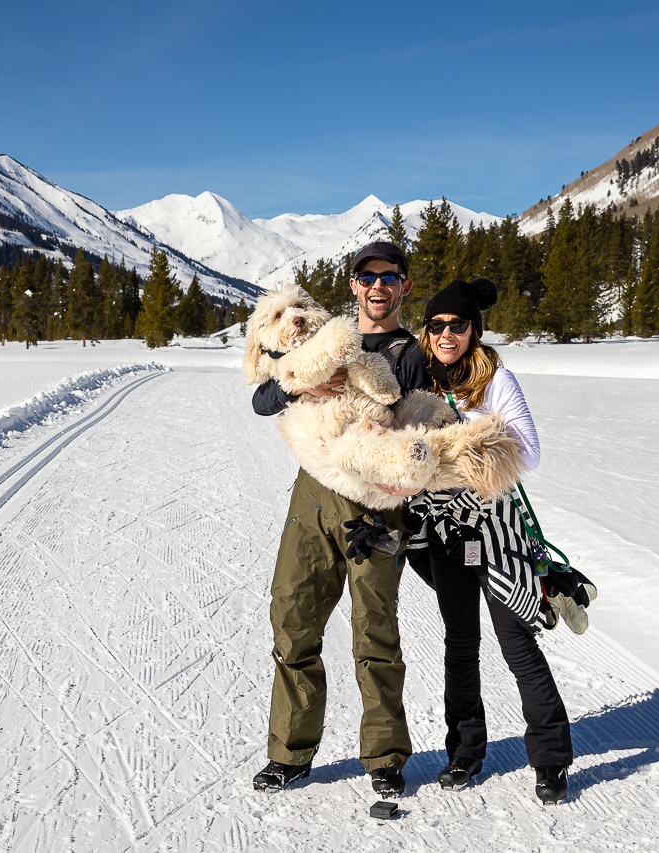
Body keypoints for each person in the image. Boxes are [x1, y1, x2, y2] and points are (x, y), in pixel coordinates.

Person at [250, 242, 428, 798]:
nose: (378, 287)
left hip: (378, 502)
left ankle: (384, 758)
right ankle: (290, 753)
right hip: (313, 495)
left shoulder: (409, 352)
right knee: (293, 619)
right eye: (368, 277)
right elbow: (261, 400)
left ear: (402, 286)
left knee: (375, 631)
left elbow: (417, 428)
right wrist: (299, 382)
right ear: (353, 286)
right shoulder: (318, 336)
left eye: (389, 278)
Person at [406, 278, 573, 803]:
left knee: (516, 640)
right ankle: (465, 752)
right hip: (443, 532)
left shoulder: (496, 379)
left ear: (474, 331)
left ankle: (550, 757)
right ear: (426, 332)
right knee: (461, 642)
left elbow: (529, 450)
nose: (447, 334)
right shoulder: (417, 380)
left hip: (495, 532)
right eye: (437, 326)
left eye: (458, 325)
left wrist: (455, 447)